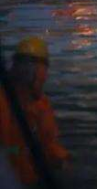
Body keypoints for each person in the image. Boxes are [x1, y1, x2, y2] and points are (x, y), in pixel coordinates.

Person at [0, 37, 70, 187]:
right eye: (24, 63)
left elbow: (48, 141)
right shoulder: (4, 101)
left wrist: (61, 159)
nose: (27, 70)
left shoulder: (41, 105)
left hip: (30, 179)